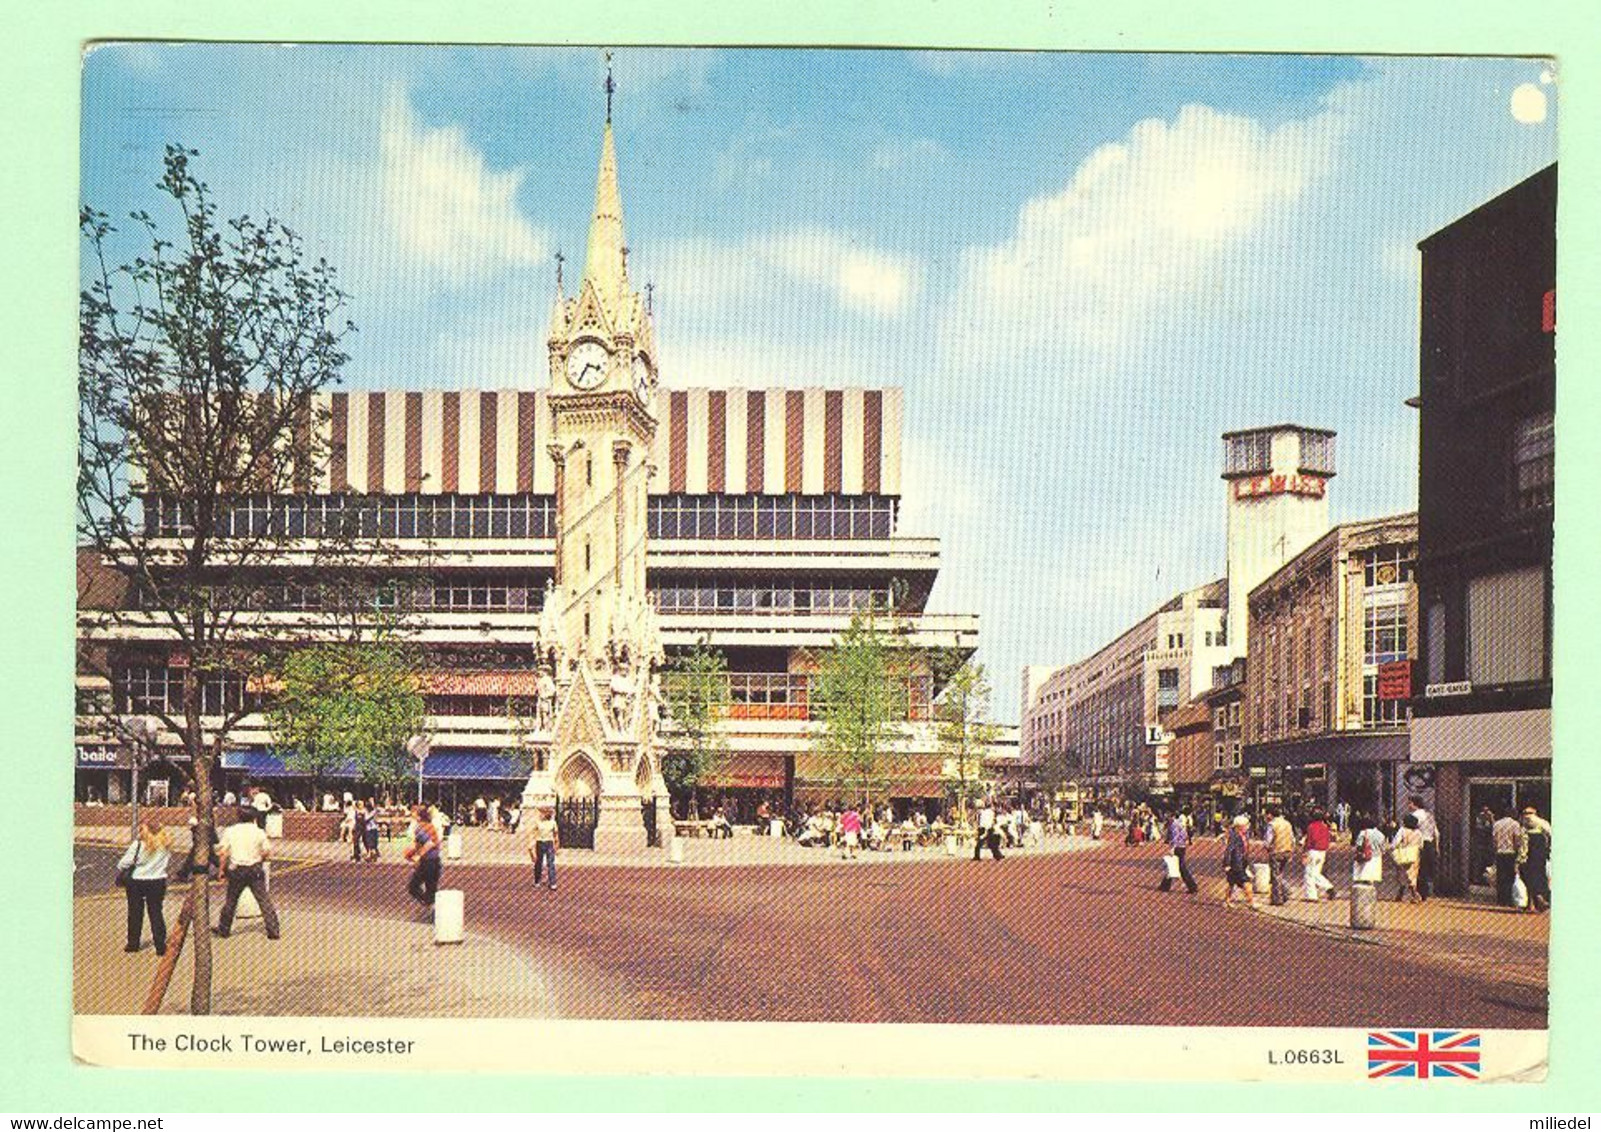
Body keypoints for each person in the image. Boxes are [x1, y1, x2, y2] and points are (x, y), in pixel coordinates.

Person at [215, 807, 281, 940]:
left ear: (238, 817)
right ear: (254, 818)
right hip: (254, 869)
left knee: (231, 900)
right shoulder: (259, 832)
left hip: (237, 868)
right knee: (263, 900)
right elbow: (267, 852)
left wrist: (221, 870)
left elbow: (223, 853)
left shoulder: (231, 831)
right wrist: (259, 859)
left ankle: (224, 929)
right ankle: (273, 930)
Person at [117, 819, 173, 954]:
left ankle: (133, 944)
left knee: (135, 913)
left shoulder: (138, 845)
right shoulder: (165, 845)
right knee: (156, 912)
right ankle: (160, 945)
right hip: (158, 881)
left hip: (137, 881)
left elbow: (123, 864)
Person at [404, 804, 442, 909]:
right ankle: (433, 908)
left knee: (413, 887)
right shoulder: (430, 826)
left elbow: (430, 843)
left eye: (414, 813)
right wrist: (411, 853)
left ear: (419, 816)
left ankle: (430, 905)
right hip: (435, 861)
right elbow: (422, 843)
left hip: (428, 862)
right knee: (431, 889)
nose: (412, 814)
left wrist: (418, 856)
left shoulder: (420, 828)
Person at [1519, 806, 1552, 913]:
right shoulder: (1543, 824)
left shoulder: (1524, 827)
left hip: (1529, 857)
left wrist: (1520, 858)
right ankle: (1535, 902)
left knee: (1529, 878)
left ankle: (1536, 901)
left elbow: (1523, 847)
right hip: (1540, 856)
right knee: (1539, 877)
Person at [1491, 805, 1525, 907]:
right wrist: (1518, 850)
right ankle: (1508, 899)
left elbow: (1494, 840)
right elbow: (1517, 839)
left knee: (1501, 876)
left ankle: (1500, 899)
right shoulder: (1515, 824)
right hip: (1510, 853)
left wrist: (1495, 850)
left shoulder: (1496, 824)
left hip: (1500, 852)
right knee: (1510, 876)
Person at [1158, 809, 1198, 895]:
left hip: (1178, 847)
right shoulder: (1179, 824)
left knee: (1179, 867)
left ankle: (1192, 886)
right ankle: (1165, 885)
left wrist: (1172, 848)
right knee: (1175, 866)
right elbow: (1184, 835)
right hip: (1181, 847)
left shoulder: (1174, 825)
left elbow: (1175, 837)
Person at [1263, 805, 1296, 906]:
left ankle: (1279, 897)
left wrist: (1266, 846)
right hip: (1287, 851)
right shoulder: (1287, 823)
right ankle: (1283, 893)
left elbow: (1268, 840)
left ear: (1270, 814)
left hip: (1276, 851)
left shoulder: (1272, 824)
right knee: (1279, 874)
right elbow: (1293, 839)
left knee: (1275, 876)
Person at [1409, 795, 1439, 901]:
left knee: (1418, 868)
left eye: (1410, 803)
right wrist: (1437, 847)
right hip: (1429, 843)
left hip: (1419, 844)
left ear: (1415, 804)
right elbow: (1436, 833)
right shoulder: (1429, 815)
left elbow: (1411, 831)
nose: (1409, 805)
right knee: (1426, 868)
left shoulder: (1415, 816)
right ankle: (1425, 893)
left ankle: (1418, 893)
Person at [1301, 809, 1335, 901]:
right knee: (1315, 873)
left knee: (1309, 874)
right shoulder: (1325, 826)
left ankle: (1312, 895)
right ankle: (1328, 887)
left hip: (1313, 851)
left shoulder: (1311, 826)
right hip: (1322, 852)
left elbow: (1310, 841)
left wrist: (1304, 852)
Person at [1390, 814, 1425, 903]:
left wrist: (1393, 848)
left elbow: (1395, 842)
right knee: (1413, 875)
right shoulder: (1419, 832)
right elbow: (1421, 845)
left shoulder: (1402, 830)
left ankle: (1408, 894)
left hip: (1404, 854)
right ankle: (1412, 894)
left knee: (1402, 874)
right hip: (1415, 855)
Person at [1221, 814, 1254, 908]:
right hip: (1236, 864)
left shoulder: (1243, 835)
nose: (1248, 827)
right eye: (1246, 825)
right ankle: (1251, 902)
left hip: (1241, 863)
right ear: (1240, 826)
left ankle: (1226, 901)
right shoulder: (1234, 836)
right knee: (1246, 882)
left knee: (1231, 882)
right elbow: (1229, 850)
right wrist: (1227, 864)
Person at [1350, 812, 1387, 889]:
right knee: (1371, 878)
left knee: (1362, 876)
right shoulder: (1380, 834)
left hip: (1365, 857)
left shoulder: (1363, 833)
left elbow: (1359, 845)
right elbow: (1383, 848)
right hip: (1376, 857)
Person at [527, 806, 559, 890]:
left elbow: (556, 835)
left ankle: (552, 882)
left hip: (549, 842)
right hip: (540, 842)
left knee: (550, 863)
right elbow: (533, 833)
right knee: (538, 862)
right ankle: (537, 881)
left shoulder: (552, 823)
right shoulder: (538, 822)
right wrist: (531, 844)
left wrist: (556, 845)